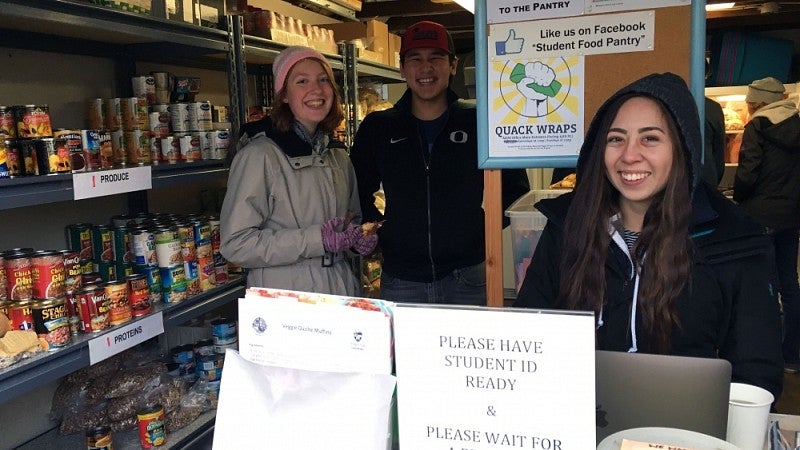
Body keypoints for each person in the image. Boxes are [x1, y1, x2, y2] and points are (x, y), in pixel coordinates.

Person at [514, 72, 783, 399]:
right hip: (581, 422)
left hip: (687, 436)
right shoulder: (567, 226)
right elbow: (531, 332)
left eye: (650, 138)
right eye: (616, 139)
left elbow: (756, 376)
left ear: (681, 147)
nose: (629, 155)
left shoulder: (736, 243)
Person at [349, 21, 530, 305]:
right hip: (402, 279)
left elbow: (515, 189)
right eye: (415, 59)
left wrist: (475, 230)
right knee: (409, 352)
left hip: (469, 277)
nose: (426, 68)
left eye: (436, 57)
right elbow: (356, 190)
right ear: (402, 68)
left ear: (453, 65)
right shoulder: (378, 128)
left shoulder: (479, 121)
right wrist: (383, 231)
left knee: (469, 351)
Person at [220, 46, 377, 295]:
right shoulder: (260, 155)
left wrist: (357, 240)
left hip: (339, 287)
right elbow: (236, 244)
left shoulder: (337, 155)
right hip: (286, 296)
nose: (316, 89)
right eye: (302, 81)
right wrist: (317, 240)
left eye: (323, 80)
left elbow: (350, 221)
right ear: (284, 95)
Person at [733, 76, 800, 372]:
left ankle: (767, 355)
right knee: (790, 283)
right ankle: (793, 355)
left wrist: (738, 199)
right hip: (791, 216)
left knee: (765, 287)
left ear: (758, 102)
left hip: (760, 216)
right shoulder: (797, 125)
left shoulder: (757, 126)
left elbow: (748, 172)